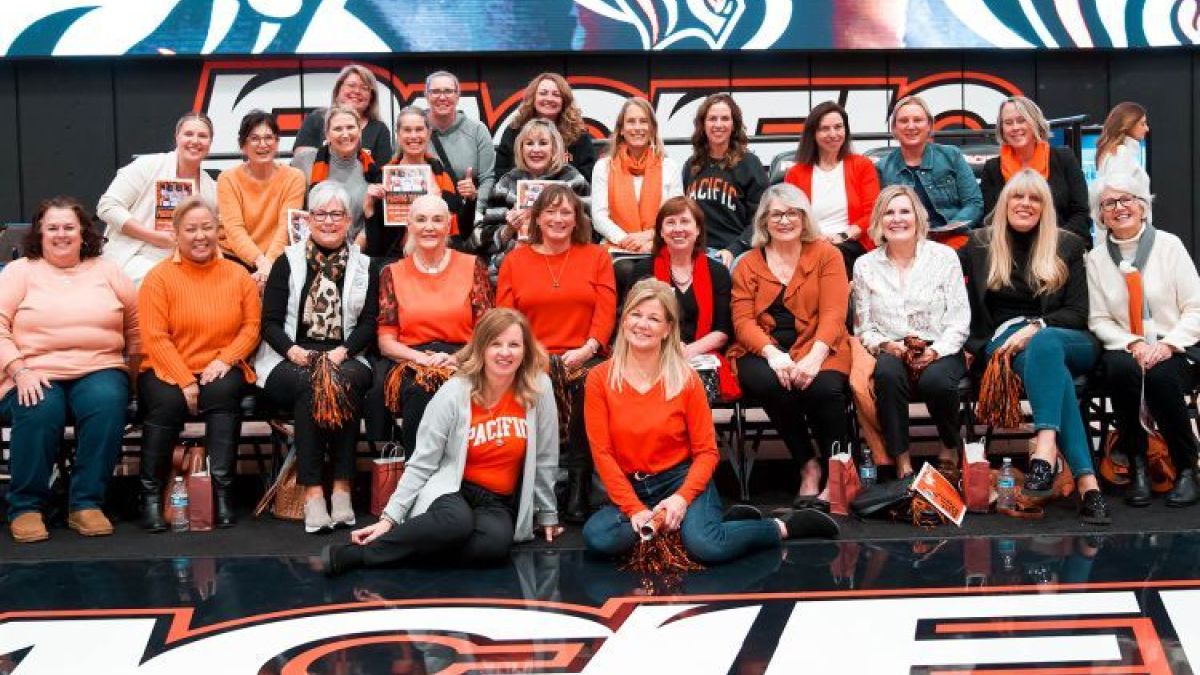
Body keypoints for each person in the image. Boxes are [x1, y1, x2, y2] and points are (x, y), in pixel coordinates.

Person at [583, 279, 839, 564]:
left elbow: (706, 452)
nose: (642, 324)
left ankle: (781, 526)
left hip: (679, 478)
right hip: (632, 486)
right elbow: (602, 454)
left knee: (707, 547)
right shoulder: (599, 378)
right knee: (599, 538)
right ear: (624, 319)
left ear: (668, 330)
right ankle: (713, 523)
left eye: (654, 318)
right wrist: (634, 510)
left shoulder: (686, 378)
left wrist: (680, 499)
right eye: (636, 314)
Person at [321, 308, 562, 576]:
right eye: (496, 343)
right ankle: (361, 555)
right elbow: (423, 461)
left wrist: (547, 514)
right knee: (455, 524)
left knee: (495, 547)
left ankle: (410, 549)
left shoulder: (538, 388)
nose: (505, 352)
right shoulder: (454, 392)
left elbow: (545, 456)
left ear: (526, 350)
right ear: (481, 347)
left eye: (514, 344)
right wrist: (389, 518)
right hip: (453, 488)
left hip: (497, 500)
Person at [961, 169, 1108, 524]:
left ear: (1045, 207)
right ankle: (1089, 487)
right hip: (1004, 340)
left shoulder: (1067, 245)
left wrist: (1037, 326)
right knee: (1052, 375)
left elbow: (1077, 312)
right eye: (1017, 196)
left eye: (1035, 198)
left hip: (1067, 337)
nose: (1025, 204)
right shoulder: (979, 245)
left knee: (1043, 343)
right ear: (1004, 202)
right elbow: (957, 302)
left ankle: (1044, 447)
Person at [0, 197, 139, 543]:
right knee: (39, 405)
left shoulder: (108, 271)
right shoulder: (20, 272)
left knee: (108, 401)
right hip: (32, 369)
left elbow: (135, 329)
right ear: (40, 233)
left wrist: (134, 377)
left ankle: (86, 503)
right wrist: (18, 370)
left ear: (83, 233)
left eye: (69, 228)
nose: (61, 234)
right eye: (53, 228)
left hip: (98, 366)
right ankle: (26, 507)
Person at [255, 181, 378, 534]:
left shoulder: (364, 265)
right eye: (321, 214)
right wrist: (296, 352)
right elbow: (270, 323)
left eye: (336, 214)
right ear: (308, 220)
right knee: (314, 381)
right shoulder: (287, 261)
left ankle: (340, 487)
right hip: (290, 356)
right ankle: (313, 492)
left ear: (348, 220)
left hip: (347, 354)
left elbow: (369, 324)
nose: (328, 221)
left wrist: (341, 353)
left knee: (339, 380)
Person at [137, 197, 261, 531]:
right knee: (167, 401)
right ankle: (150, 495)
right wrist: (184, 379)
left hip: (220, 365)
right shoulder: (158, 278)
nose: (200, 235)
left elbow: (252, 327)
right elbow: (154, 337)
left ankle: (222, 493)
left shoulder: (238, 275)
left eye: (207, 227)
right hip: (166, 367)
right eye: (190, 229)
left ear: (218, 231)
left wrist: (226, 359)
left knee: (223, 392)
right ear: (175, 234)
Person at [497, 185, 616, 523]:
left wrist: (588, 348)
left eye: (567, 212)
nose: (558, 219)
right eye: (550, 211)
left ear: (577, 218)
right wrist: (533, 355)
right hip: (530, 357)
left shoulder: (597, 256)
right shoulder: (515, 260)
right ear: (537, 217)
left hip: (586, 353)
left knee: (591, 384)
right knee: (537, 384)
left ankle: (578, 482)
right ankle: (534, 488)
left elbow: (605, 313)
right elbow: (506, 320)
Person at [728, 183, 851, 510]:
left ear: (804, 217)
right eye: (775, 214)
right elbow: (742, 322)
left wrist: (814, 357)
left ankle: (838, 473)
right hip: (765, 348)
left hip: (820, 343)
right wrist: (774, 355)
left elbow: (834, 313)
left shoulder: (828, 255)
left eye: (792, 213)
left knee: (825, 388)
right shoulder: (747, 263)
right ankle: (807, 464)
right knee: (765, 381)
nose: (784, 220)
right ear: (763, 221)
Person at [1086, 170, 1200, 507]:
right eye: (1109, 203)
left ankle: (1186, 469)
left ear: (1142, 206)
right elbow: (1098, 318)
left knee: (1163, 376)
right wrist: (1134, 344)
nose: (1119, 208)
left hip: (1175, 343)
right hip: (1125, 345)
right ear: (1101, 214)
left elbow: (1195, 307)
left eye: (1126, 200)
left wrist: (1167, 345)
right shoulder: (1095, 259)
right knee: (1123, 371)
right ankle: (1136, 466)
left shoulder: (1170, 246)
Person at [851, 185, 970, 477]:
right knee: (887, 375)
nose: (897, 219)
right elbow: (864, 327)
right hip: (891, 346)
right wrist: (887, 347)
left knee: (937, 382)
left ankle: (950, 445)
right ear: (879, 221)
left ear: (917, 217)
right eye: (889, 212)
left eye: (905, 211)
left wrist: (935, 351)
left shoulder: (944, 257)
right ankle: (902, 460)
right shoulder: (865, 265)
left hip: (940, 344)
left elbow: (959, 320)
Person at [373, 194, 493, 453]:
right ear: (410, 226)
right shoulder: (391, 272)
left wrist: (456, 359)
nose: (429, 227)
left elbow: (487, 332)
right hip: (411, 357)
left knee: (460, 388)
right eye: (421, 220)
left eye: (437, 220)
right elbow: (386, 342)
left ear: (448, 226)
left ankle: (462, 478)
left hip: (465, 354)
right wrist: (423, 360)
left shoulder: (473, 265)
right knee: (419, 389)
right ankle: (418, 477)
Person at [98, 111, 218, 285]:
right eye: (188, 134)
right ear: (177, 137)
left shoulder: (211, 188)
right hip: (134, 257)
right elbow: (107, 206)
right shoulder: (147, 166)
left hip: (186, 264)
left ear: (210, 143)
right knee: (167, 283)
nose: (195, 141)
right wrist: (152, 236)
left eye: (202, 136)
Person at [626, 196, 732, 359]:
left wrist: (687, 352)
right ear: (660, 232)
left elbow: (722, 331)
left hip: (700, 355)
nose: (678, 229)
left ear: (698, 229)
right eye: (670, 222)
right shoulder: (643, 271)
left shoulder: (718, 273)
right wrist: (666, 353)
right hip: (651, 354)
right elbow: (631, 322)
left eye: (684, 221)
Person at [785, 101, 881, 272]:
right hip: (809, 243)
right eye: (825, 128)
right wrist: (817, 238)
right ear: (813, 133)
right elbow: (792, 216)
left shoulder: (862, 165)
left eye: (838, 127)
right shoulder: (796, 173)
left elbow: (872, 213)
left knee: (831, 256)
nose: (833, 134)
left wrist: (842, 236)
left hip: (853, 243)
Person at [876, 94, 983, 249]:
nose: (911, 126)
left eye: (917, 120)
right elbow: (879, 217)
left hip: (953, 238)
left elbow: (974, 203)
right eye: (904, 121)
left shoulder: (952, 156)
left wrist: (950, 228)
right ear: (894, 128)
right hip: (905, 243)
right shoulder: (882, 168)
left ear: (929, 125)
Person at [476, 120, 590, 264]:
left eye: (543, 143)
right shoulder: (506, 183)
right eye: (529, 143)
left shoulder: (573, 180)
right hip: (518, 260)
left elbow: (590, 231)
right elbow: (486, 240)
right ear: (521, 149)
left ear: (554, 148)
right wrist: (509, 230)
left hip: (565, 259)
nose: (535, 150)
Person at [980, 96, 1090, 242]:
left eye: (1021, 120)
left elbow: (1081, 213)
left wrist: (1052, 244)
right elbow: (990, 219)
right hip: (1010, 248)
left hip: (1060, 244)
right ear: (1002, 129)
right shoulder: (992, 169)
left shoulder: (1064, 159)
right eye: (1008, 123)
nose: (1015, 127)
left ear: (1035, 123)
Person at [217, 110, 307, 286]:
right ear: (243, 145)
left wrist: (269, 265)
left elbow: (285, 227)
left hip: (277, 257)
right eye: (255, 138)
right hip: (235, 256)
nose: (263, 144)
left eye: (269, 138)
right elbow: (234, 229)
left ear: (277, 142)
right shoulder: (228, 179)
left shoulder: (295, 177)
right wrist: (260, 262)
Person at [362, 106, 462, 259]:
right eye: (407, 130)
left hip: (439, 258)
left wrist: (471, 200)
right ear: (398, 135)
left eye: (419, 129)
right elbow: (376, 246)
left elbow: (461, 233)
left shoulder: (443, 175)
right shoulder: (383, 177)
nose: (413, 136)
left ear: (428, 133)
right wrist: (369, 210)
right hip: (396, 261)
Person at [682, 93, 769, 267]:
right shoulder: (691, 165)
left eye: (725, 119)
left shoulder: (749, 164)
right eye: (712, 119)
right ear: (703, 124)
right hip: (696, 250)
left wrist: (734, 249)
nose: (718, 125)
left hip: (737, 251)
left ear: (734, 125)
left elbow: (763, 216)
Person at [591, 97, 683, 252]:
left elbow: (676, 216)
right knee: (627, 269)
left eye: (643, 121)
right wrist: (628, 241)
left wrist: (649, 238)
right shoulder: (603, 167)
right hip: (616, 246)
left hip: (658, 243)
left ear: (652, 128)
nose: (637, 127)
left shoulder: (670, 167)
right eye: (631, 121)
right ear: (621, 129)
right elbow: (599, 218)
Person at [424, 70, 496, 237]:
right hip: (426, 221)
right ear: (426, 96)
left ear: (458, 96)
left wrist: (475, 211)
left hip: (465, 219)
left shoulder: (477, 130)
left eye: (448, 91)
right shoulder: (416, 132)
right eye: (435, 91)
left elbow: (488, 178)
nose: (442, 97)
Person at [292, 106, 382, 238]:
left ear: (360, 132)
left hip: (356, 250)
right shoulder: (303, 161)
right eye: (338, 129)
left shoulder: (371, 170)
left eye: (350, 127)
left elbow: (369, 224)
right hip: (310, 248)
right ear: (327, 135)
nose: (345, 134)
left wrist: (354, 252)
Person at [493, 72, 595, 183]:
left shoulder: (578, 135)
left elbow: (587, 178)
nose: (549, 99)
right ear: (533, 97)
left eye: (556, 94)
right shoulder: (514, 130)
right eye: (543, 93)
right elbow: (501, 173)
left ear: (564, 100)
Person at [293, 64, 393, 162]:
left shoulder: (380, 129)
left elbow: (382, 173)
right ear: (338, 90)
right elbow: (302, 160)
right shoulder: (316, 119)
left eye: (364, 88)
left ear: (372, 97)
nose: (357, 91)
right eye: (351, 85)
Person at [1094, 102, 1150, 180]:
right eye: (1142, 124)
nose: (1147, 129)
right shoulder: (1120, 154)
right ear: (1129, 125)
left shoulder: (1116, 152)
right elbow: (1116, 190)